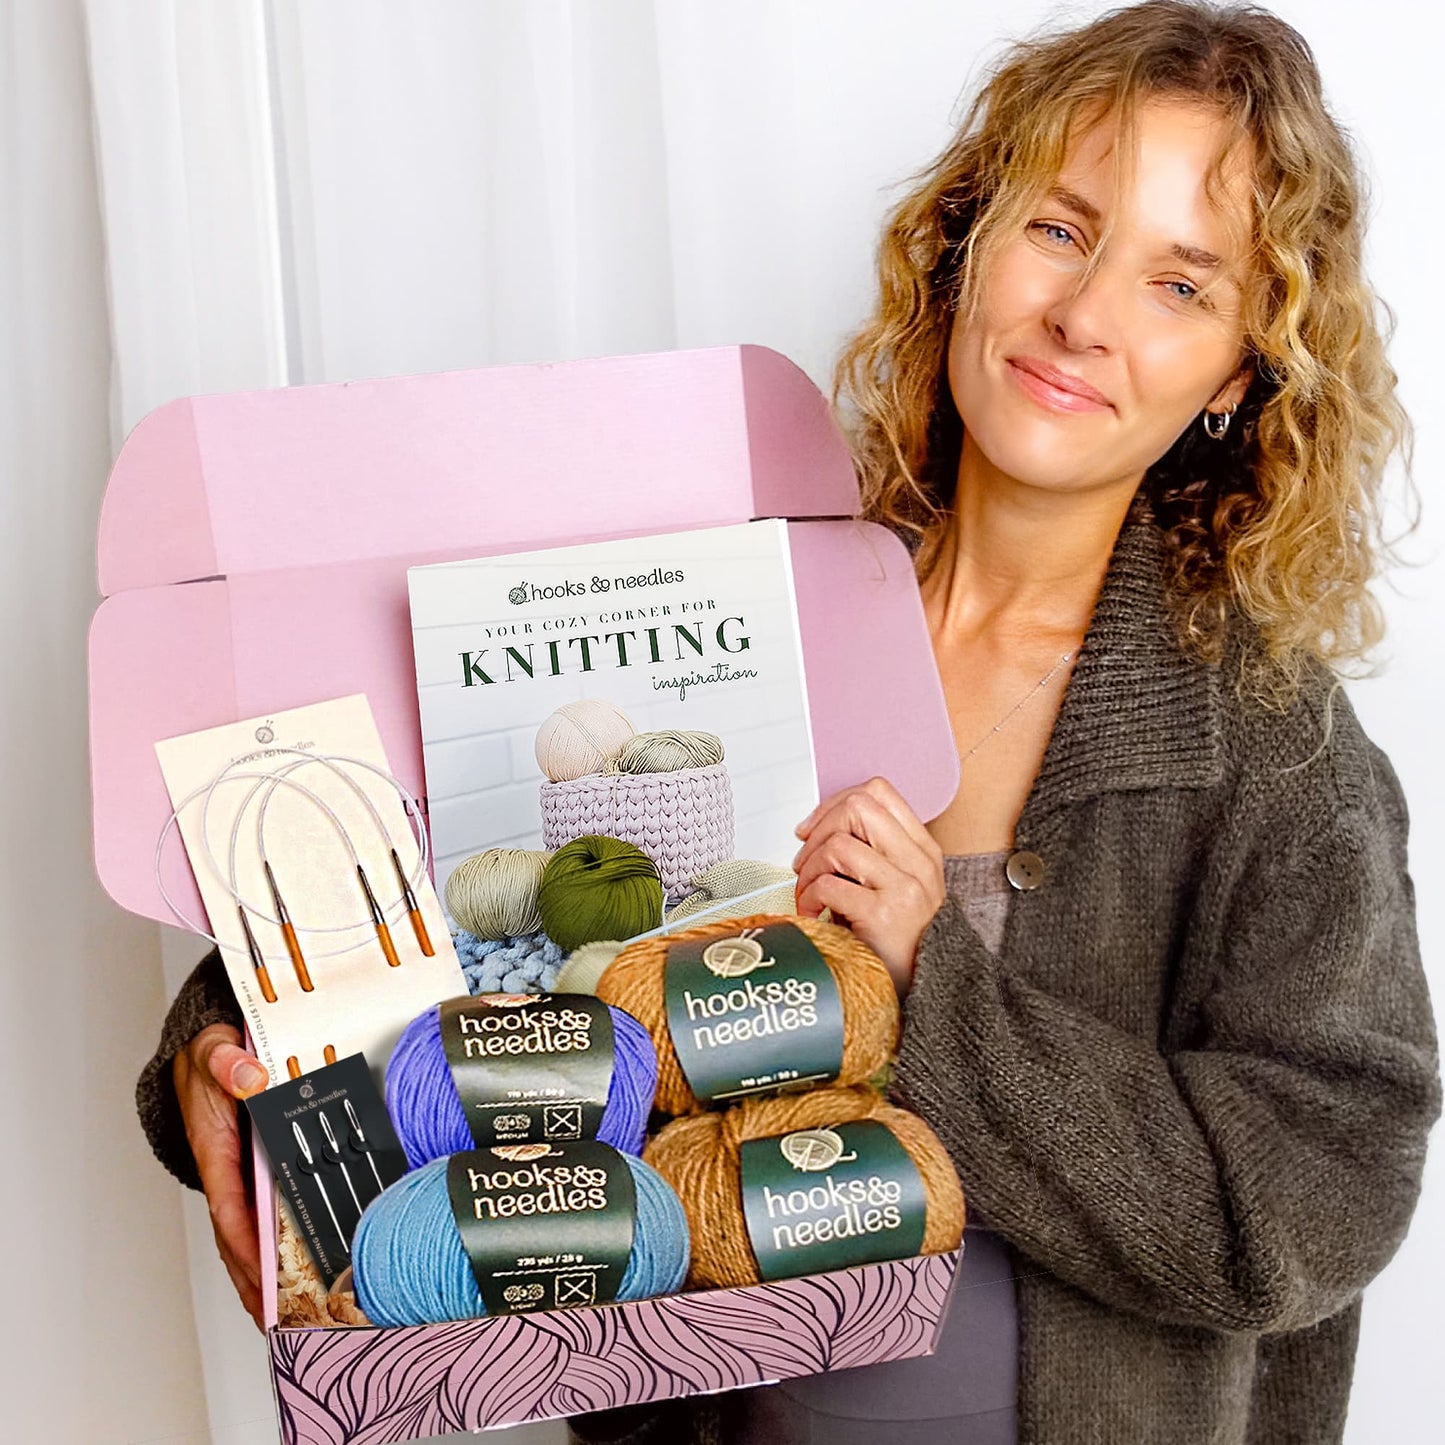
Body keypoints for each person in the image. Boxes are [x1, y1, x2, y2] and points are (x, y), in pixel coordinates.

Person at [136, 2, 1440, 1442]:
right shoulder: (727, 620)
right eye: (1060, 230)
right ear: (966, 240)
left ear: (1241, 376)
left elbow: (1305, 1211)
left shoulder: (1268, 755)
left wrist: (931, 985)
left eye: (1179, 287)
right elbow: (473, 913)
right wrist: (214, 1054)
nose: (1084, 316)